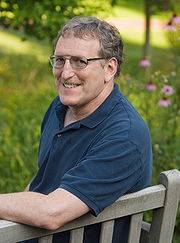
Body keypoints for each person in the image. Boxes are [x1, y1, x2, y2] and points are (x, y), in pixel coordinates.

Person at [0, 16, 152, 243]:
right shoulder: (60, 107)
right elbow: (43, 180)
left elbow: (51, 213)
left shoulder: (124, 136)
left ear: (109, 68)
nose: (65, 73)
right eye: (60, 60)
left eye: (80, 62)